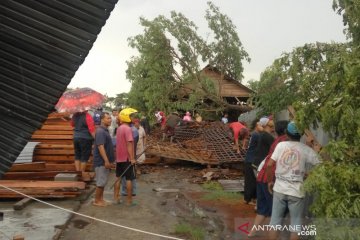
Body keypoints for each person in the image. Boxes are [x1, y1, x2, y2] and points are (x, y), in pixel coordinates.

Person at [266, 122, 320, 240]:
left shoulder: (281, 146)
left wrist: (270, 182)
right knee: (295, 225)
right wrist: (309, 174)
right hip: (296, 192)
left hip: (279, 189)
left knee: (274, 223)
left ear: (286, 133)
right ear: (301, 135)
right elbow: (321, 166)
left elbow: (270, 165)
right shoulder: (306, 150)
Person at [248, 120, 288, 237]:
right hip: (269, 179)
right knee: (278, 211)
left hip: (261, 176)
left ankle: (252, 233)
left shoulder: (277, 140)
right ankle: (276, 236)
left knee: (263, 209)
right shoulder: (285, 142)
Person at [114, 108, 138, 206]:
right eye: (131, 116)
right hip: (127, 158)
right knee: (129, 179)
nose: (133, 118)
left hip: (119, 158)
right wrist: (132, 158)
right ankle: (129, 201)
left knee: (118, 178)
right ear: (127, 117)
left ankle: (116, 198)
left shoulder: (119, 128)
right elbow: (129, 144)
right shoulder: (128, 129)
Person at [92, 112, 114, 207]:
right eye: (108, 118)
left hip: (105, 160)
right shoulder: (100, 131)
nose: (110, 120)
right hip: (101, 161)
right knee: (100, 182)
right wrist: (106, 161)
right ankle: (97, 201)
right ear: (102, 119)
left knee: (103, 181)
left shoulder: (105, 130)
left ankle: (101, 199)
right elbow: (101, 147)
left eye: (110, 118)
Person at [243, 119, 263, 205]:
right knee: (250, 181)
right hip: (250, 160)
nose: (261, 127)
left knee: (253, 180)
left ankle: (253, 198)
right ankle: (248, 199)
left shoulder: (256, 134)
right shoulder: (256, 135)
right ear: (256, 126)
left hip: (251, 160)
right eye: (260, 125)